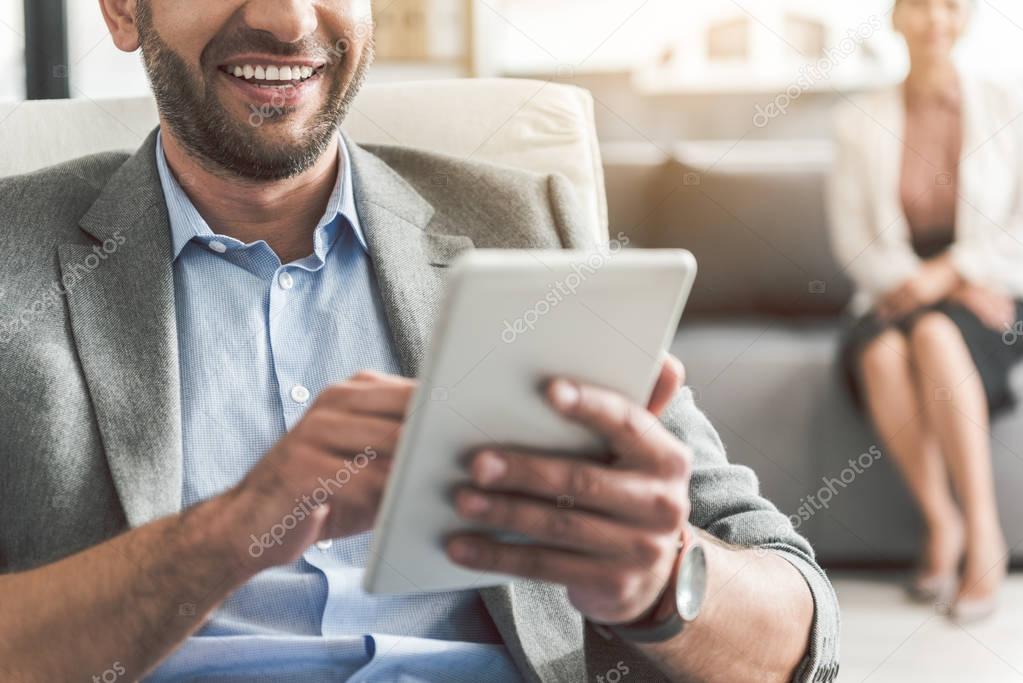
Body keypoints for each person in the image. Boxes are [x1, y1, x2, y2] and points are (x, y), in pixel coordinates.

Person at [0, 1, 838, 681]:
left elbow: (800, 632)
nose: (288, 21)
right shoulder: (15, 253)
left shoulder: (529, 230)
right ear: (119, 10)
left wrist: (664, 580)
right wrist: (226, 533)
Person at [829, 0, 1021, 623]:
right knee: (883, 351)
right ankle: (944, 525)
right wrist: (918, 281)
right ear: (895, 17)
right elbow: (852, 235)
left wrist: (956, 271)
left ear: (966, 19)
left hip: (985, 286)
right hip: (892, 285)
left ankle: (985, 537)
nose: (936, 18)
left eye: (952, 5)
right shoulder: (857, 118)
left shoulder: (1007, 103)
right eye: (920, 4)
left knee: (937, 333)